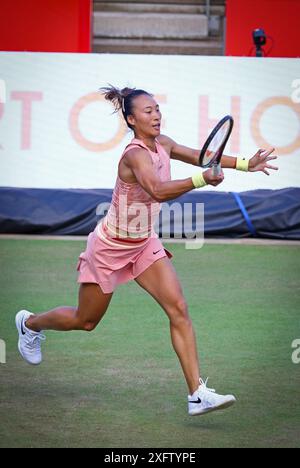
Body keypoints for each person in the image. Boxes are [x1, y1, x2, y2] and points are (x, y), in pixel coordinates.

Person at [15, 86, 278, 416]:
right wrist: (201, 181)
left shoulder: (163, 143)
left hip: (143, 243)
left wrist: (244, 162)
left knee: (178, 308)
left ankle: (197, 393)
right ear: (130, 119)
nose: (155, 115)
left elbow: (201, 155)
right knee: (85, 321)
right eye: (147, 111)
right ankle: (30, 324)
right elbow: (156, 190)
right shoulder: (134, 154)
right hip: (110, 247)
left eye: (157, 109)